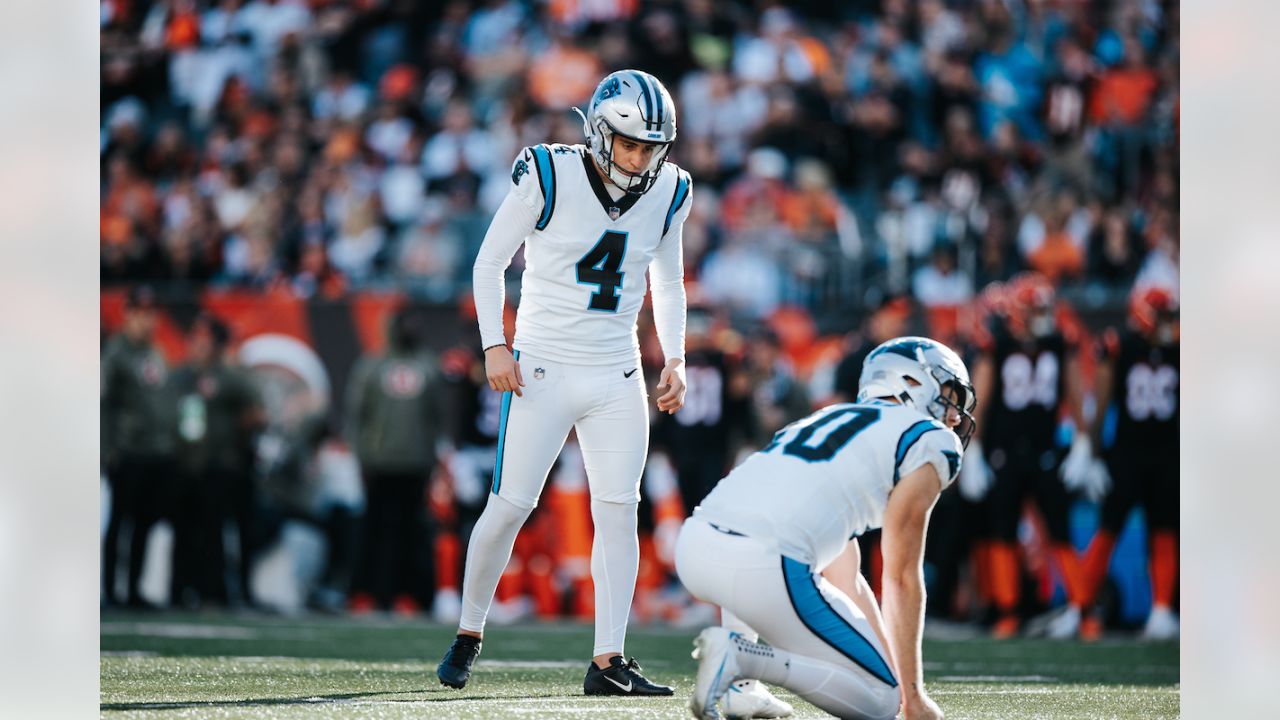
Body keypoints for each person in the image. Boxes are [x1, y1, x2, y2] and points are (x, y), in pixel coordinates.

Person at [437, 69, 692, 697]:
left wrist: (676, 358)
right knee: (510, 505)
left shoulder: (672, 190)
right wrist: (495, 345)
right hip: (542, 367)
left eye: (649, 146)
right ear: (600, 131)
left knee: (618, 514)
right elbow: (489, 262)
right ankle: (469, 632)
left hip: (617, 370)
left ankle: (609, 659)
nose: (638, 158)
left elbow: (669, 281)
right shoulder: (549, 171)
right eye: (629, 143)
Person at [678, 336, 974, 720]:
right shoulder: (929, 441)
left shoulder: (827, 418)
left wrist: (895, 674)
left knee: (886, 684)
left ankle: (740, 689)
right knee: (880, 701)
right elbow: (901, 576)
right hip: (763, 564)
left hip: (695, 545)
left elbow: (846, 576)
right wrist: (911, 697)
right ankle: (742, 662)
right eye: (950, 394)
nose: (954, 415)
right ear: (912, 382)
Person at [965, 273, 1090, 638]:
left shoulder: (1057, 342)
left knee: (1060, 529)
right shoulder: (996, 344)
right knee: (1003, 532)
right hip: (1005, 451)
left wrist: (1083, 441)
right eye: (1037, 308)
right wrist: (973, 448)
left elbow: (1074, 391)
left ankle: (1082, 607)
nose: (1045, 315)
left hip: (1046, 449)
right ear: (1019, 312)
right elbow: (981, 400)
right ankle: (1008, 610)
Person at [1068, 285, 1180, 640]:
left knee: (1164, 531)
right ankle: (1080, 605)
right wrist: (1095, 451)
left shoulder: (1176, 348)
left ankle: (1161, 610)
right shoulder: (1121, 346)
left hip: (1162, 454)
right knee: (1109, 529)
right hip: (1132, 454)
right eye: (1163, 315)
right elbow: (1101, 400)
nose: (1168, 323)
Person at [346, 309, 448, 614]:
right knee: (376, 530)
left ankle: (411, 595)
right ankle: (371, 593)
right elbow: (357, 415)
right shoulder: (372, 365)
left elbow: (437, 418)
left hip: (416, 463)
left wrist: (434, 458)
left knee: (413, 532)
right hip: (379, 462)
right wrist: (360, 457)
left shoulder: (429, 366)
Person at [169, 314, 264, 608]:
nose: (197, 343)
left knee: (214, 532)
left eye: (204, 337)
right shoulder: (180, 376)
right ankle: (180, 591)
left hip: (220, 464)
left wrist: (237, 435)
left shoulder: (231, 376)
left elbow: (257, 414)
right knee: (184, 531)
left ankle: (215, 592)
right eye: (194, 336)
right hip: (184, 463)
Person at [101, 285, 178, 608]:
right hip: (127, 450)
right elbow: (103, 403)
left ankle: (133, 588)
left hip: (155, 452)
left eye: (151, 314)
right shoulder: (116, 353)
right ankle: (108, 589)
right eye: (141, 314)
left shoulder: (156, 353)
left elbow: (163, 401)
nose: (147, 321)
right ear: (127, 314)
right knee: (119, 523)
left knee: (144, 524)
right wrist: (106, 448)